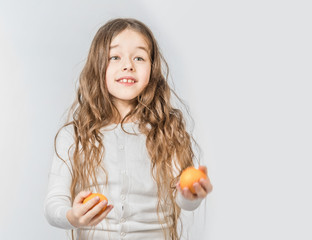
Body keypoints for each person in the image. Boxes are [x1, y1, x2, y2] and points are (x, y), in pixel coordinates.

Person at [43, 18, 213, 240]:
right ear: (97, 66)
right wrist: (72, 217)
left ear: (152, 69)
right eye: (114, 57)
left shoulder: (167, 131)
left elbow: (183, 199)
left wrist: (191, 196)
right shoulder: (74, 136)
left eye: (139, 57)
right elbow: (53, 203)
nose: (128, 65)